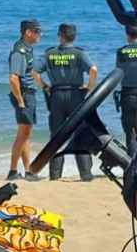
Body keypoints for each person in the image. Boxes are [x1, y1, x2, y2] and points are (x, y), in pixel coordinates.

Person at [42, 22, 99, 182]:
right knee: (80, 133)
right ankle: (86, 175)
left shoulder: (50, 53)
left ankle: (55, 175)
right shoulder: (79, 54)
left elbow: (33, 71)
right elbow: (93, 70)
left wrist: (44, 86)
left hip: (57, 95)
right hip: (76, 95)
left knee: (56, 136)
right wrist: (89, 87)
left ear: (60, 35)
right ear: (74, 36)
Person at [7, 19, 43, 181]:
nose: (40, 35)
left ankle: (28, 170)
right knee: (23, 134)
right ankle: (13, 171)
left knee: (26, 133)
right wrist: (20, 101)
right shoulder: (19, 51)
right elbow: (13, 78)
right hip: (24, 95)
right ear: (28, 32)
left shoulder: (28, 49)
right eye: (37, 32)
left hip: (29, 94)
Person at [115, 24, 137, 149]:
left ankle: (131, 164)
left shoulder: (121, 52)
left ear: (127, 35)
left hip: (128, 95)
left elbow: (118, 74)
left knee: (130, 133)